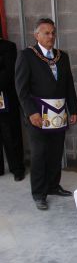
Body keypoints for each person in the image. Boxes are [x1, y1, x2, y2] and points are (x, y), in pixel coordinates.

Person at [15, 18, 77, 210]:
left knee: (56, 151)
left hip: (58, 113)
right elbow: (21, 89)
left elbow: (68, 85)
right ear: (37, 35)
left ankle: (53, 185)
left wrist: (73, 109)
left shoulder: (62, 56)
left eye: (53, 33)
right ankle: (39, 193)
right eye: (46, 33)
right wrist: (31, 112)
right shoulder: (27, 55)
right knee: (39, 153)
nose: (51, 37)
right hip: (38, 115)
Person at [0, 38, 25, 181]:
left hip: (6, 97)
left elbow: (9, 72)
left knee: (11, 134)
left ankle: (17, 168)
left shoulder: (8, 47)